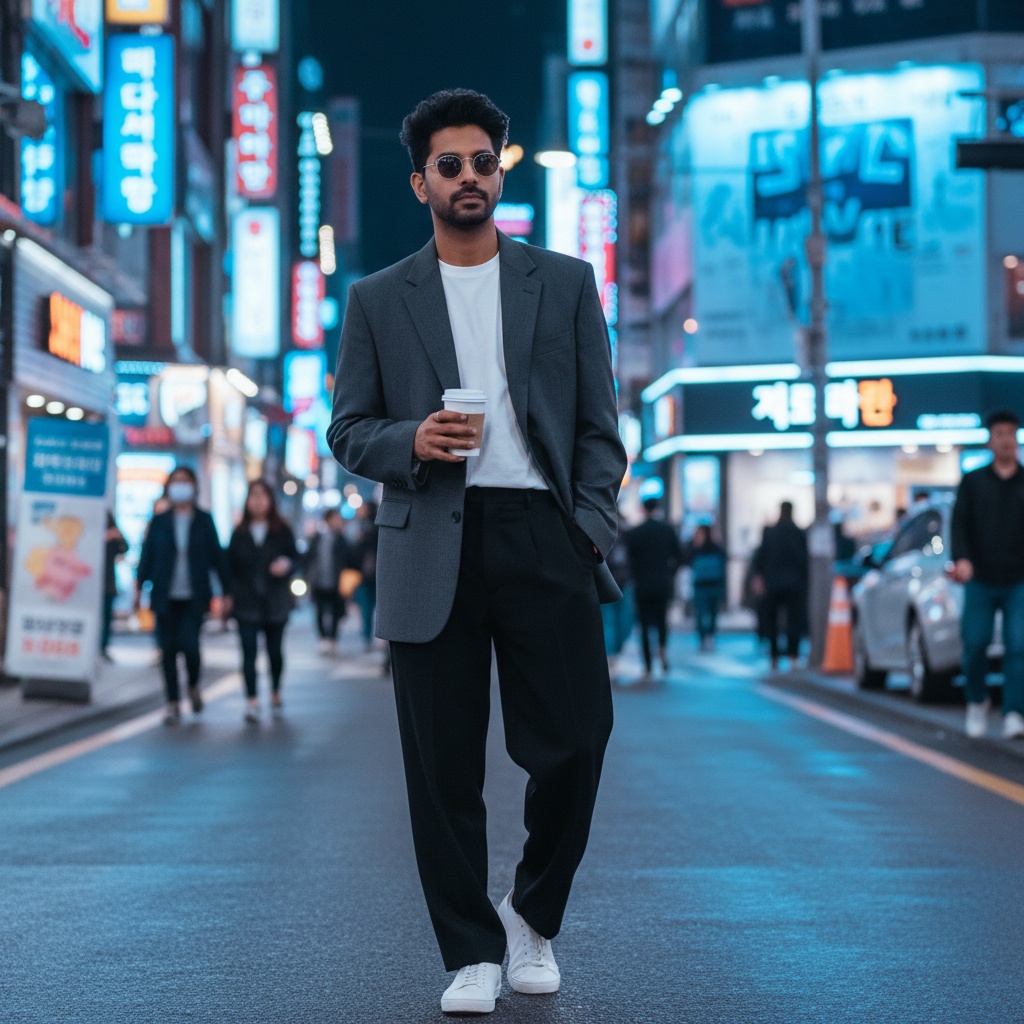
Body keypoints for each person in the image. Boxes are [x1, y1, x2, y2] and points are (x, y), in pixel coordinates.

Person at [326, 89, 626, 1016]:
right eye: (448, 165)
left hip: (544, 533)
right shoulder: (377, 298)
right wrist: (408, 443)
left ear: (502, 172)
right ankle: (471, 952)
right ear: (420, 182)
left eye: (483, 162)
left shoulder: (567, 281)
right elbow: (347, 428)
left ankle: (531, 915)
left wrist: (588, 525)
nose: (468, 177)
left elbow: (598, 429)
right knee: (441, 765)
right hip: (431, 537)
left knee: (576, 741)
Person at [136, 466, 231, 725]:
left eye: (185, 481)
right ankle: (172, 702)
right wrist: (138, 586)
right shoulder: (159, 520)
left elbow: (217, 558)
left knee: (190, 645)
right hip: (164, 594)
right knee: (167, 650)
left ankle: (193, 686)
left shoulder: (204, 520)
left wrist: (226, 592)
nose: (180, 486)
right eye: (175, 481)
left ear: (194, 486)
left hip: (194, 595)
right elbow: (147, 556)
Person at [950, 410, 1024, 740]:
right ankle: (977, 701)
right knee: (976, 643)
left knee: (1018, 646)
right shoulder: (973, 482)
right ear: (990, 440)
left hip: (1019, 580)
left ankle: (1013, 713)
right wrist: (962, 559)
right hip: (979, 578)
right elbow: (959, 525)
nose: (1007, 439)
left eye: (1012, 433)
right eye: (1000, 434)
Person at [228, 480, 298, 723]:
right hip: (246, 602)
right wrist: (229, 595)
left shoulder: (282, 530)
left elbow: (294, 558)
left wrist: (285, 565)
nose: (257, 501)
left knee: (275, 652)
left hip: (275, 601)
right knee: (248, 653)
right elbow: (230, 567)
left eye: (262, 496)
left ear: (270, 500)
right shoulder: (239, 532)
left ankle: (276, 691)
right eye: (253, 496)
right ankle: (251, 699)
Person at [624, 498, 684, 678]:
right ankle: (663, 650)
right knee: (661, 621)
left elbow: (630, 561)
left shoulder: (635, 533)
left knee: (643, 624)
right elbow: (679, 556)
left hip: (642, 583)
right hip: (662, 582)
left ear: (643, 509)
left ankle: (648, 664)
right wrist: (670, 573)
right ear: (657, 508)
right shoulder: (667, 530)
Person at [750, 501, 808, 670]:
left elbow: (760, 557)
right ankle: (793, 656)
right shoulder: (798, 533)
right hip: (795, 585)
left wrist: (759, 579)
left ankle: (774, 656)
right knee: (794, 621)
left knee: (772, 621)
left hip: (772, 584)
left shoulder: (769, 532)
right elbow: (804, 561)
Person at [305, 507, 350, 653]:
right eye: (335, 518)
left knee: (336, 611)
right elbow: (309, 558)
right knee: (319, 611)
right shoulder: (317, 537)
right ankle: (323, 638)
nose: (337, 521)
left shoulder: (341, 538)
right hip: (319, 581)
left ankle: (333, 638)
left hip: (337, 582)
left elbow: (349, 559)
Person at [600, 512, 633, 678]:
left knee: (614, 620)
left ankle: (612, 653)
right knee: (615, 620)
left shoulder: (607, 532)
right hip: (617, 581)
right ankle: (612, 653)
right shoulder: (625, 534)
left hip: (614, 581)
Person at [686, 524, 726, 651]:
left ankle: (707, 636)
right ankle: (706, 636)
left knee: (708, 613)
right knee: (703, 613)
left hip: (708, 584)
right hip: (705, 584)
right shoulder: (706, 548)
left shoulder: (702, 548)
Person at [101, 512, 128, 661]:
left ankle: (103, 647)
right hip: (89, 584)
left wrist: (117, 535)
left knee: (106, 618)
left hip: (108, 583)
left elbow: (125, 548)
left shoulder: (113, 532)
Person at [353, 499, 379, 652]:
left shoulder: (363, 527)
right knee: (375, 606)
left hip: (364, 573)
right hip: (376, 572)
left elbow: (357, 550)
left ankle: (366, 637)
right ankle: (377, 637)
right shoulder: (378, 525)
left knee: (366, 607)